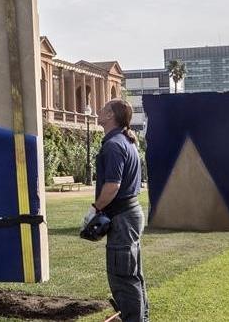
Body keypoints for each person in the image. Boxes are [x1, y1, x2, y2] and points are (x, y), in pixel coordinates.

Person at [83, 98, 148, 322]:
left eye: (103, 109)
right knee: (133, 275)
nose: (98, 112)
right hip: (129, 215)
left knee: (122, 277)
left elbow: (112, 185)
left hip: (122, 217)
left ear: (111, 116)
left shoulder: (113, 145)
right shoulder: (126, 142)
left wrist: (95, 209)